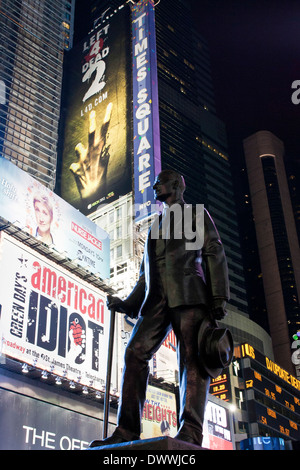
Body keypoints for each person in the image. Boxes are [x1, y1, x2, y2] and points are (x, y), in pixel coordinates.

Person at [89, 169, 230, 448]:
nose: (155, 186)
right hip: (157, 299)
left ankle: (190, 430)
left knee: (191, 360)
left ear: (177, 184)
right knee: (134, 352)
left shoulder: (193, 214)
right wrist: (128, 303)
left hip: (190, 295)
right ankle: (127, 430)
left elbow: (214, 249)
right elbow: (146, 274)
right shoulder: (156, 225)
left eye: (161, 182)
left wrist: (219, 297)